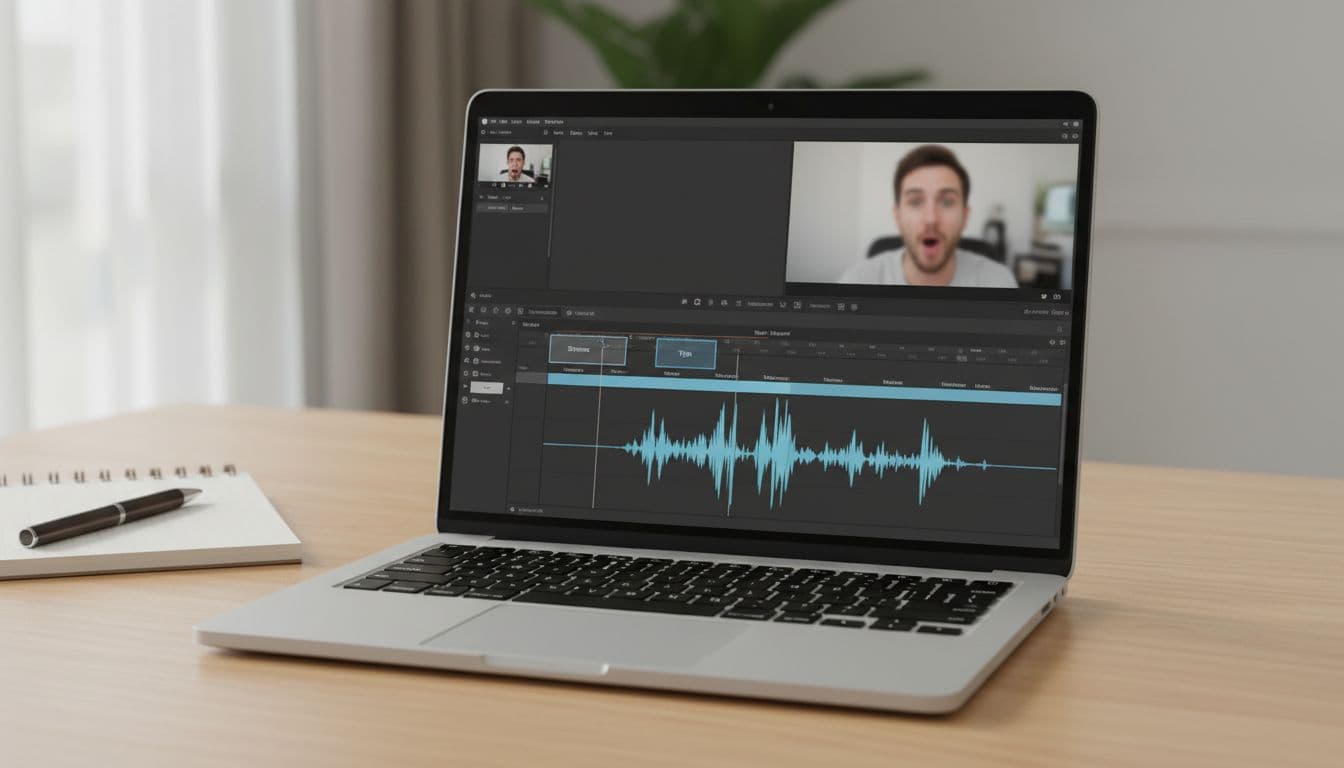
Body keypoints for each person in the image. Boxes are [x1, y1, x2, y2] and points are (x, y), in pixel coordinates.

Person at [839, 145, 1017, 287]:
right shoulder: (856, 281)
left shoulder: (999, 282)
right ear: (898, 216)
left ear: (964, 216)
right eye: (915, 202)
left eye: (947, 202)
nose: (931, 219)